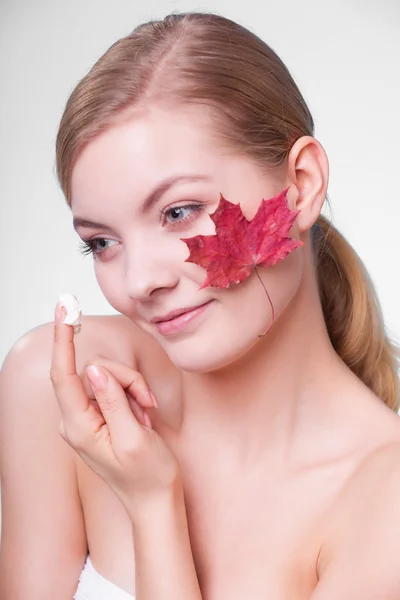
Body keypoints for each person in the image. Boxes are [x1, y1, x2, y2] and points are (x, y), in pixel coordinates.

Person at [1, 10, 400, 600]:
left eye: (179, 211)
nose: (140, 281)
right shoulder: (63, 393)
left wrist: (153, 507)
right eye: (101, 243)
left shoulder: (383, 502)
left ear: (302, 184)